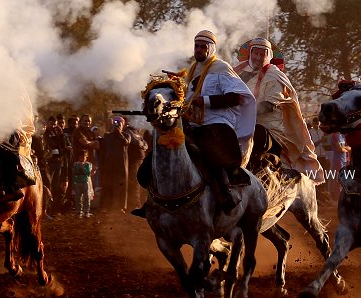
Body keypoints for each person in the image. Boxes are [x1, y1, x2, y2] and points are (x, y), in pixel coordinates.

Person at [131, 29, 256, 217]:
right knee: (160, 151)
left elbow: (237, 97)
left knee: (210, 154)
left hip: (216, 124)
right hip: (193, 124)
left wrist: (204, 101)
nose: (198, 50)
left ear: (211, 48)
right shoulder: (193, 69)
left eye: (202, 47)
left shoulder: (221, 68)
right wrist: (178, 84)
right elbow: (188, 98)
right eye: (196, 46)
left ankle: (226, 195)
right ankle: (152, 201)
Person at [234, 37, 323, 181]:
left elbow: (268, 106)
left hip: (269, 128)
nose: (258, 57)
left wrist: (239, 111)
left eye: (262, 54)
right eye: (255, 53)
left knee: (258, 136)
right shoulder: (237, 72)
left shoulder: (274, 75)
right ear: (249, 54)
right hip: (238, 123)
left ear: (268, 56)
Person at [98, 116, 130, 211]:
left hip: (121, 165)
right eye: (115, 123)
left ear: (123, 125)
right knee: (108, 185)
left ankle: (121, 207)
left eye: (119, 123)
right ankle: (105, 206)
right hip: (108, 164)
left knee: (121, 186)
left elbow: (126, 142)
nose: (117, 125)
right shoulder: (107, 136)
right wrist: (101, 164)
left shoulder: (126, 135)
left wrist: (118, 133)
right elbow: (102, 151)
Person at [72, 149, 94, 218]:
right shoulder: (76, 164)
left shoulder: (88, 164)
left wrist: (83, 168)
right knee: (78, 197)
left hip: (85, 182)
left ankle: (86, 211)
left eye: (84, 157)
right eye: (81, 157)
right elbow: (75, 172)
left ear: (86, 157)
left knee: (86, 197)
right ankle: (78, 211)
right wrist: (79, 168)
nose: (83, 158)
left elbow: (88, 173)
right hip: (78, 182)